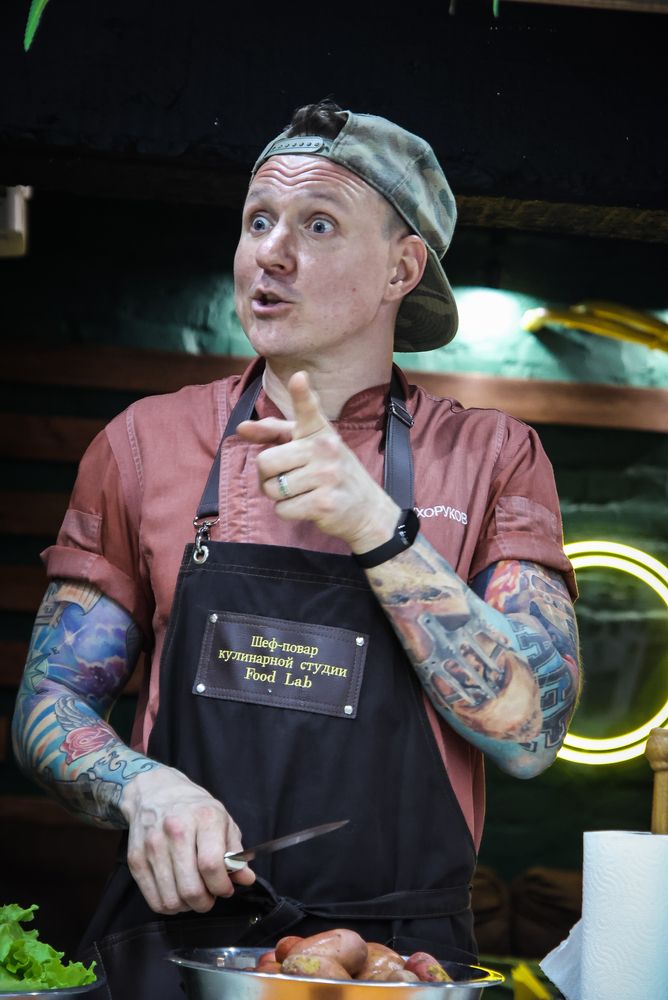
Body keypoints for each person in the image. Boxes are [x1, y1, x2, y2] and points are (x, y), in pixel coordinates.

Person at [12, 100, 580, 997]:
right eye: (258, 221)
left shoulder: (492, 457)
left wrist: (376, 527)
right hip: (177, 953)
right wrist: (139, 787)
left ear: (402, 268)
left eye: (318, 224)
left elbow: (532, 730)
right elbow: (50, 699)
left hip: (397, 968)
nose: (271, 253)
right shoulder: (145, 444)